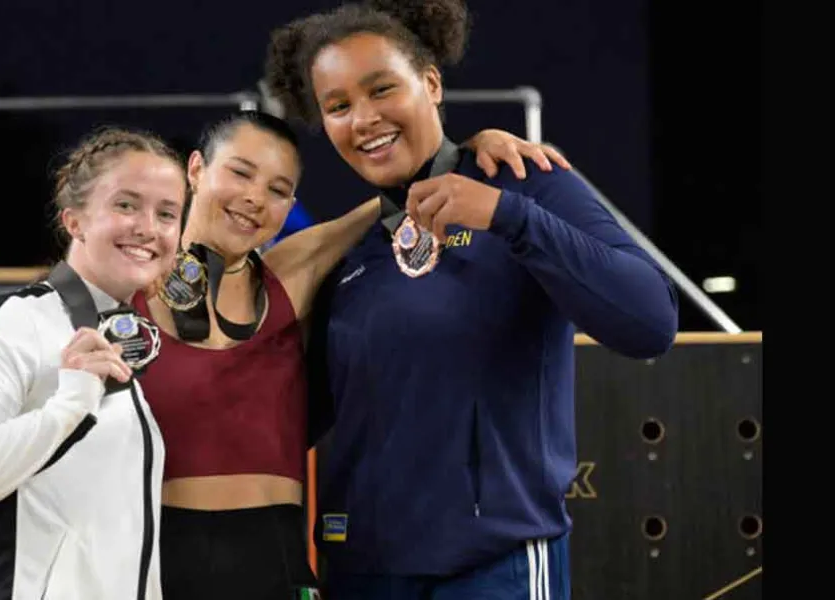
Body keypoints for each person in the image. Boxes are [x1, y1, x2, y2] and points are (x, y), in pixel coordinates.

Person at [262, 0, 681, 598]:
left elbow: (651, 322)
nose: (364, 118)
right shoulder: (352, 251)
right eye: (338, 107)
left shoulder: (525, 183)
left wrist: (508, 216)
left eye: (383, 89)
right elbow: (297, 418)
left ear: (430, 82)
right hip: (361, 574)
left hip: (494, 568)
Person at [130, 108, 570, 600]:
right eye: (240, 172)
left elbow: (392, 202)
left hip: (277, 568)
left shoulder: (286, 278)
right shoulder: (124, 290)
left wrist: (469, 150)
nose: (254, 198)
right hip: (157, 564)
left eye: (278, 190)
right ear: (195, 169)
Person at [0, 126, 188, 600]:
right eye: (126, 204)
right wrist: (67, 408)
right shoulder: (13, 320)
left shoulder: (125, 341)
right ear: (74, 222)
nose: (148, 227)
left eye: (167, 214)